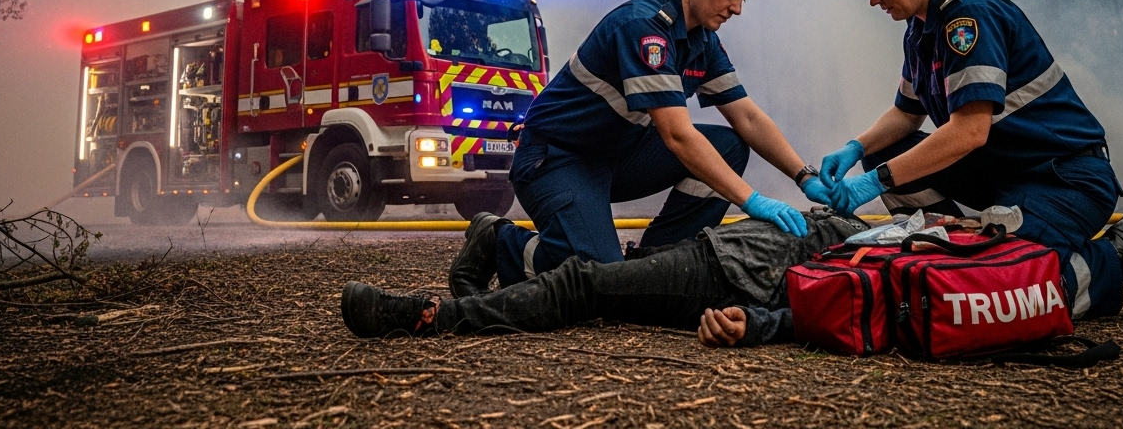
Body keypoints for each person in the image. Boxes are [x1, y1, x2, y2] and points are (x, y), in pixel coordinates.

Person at [800, 0, 1123, 321]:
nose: (872, 0)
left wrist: (875, 181)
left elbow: (970, 132)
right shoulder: (919, 30)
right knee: (890, 157)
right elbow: (905, 113)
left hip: (1065, 179)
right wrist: (856, 148)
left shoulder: (968, 18)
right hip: (1006, 175)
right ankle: (959, 247)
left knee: (996, 289)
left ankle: (1120, 254)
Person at [451, 0, 822, 297]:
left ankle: (654, 261)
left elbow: (748, 118)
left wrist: (805, 177)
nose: (737, 9)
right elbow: (677, 136)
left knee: (730, 144)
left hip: (616, 155)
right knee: (602, 278)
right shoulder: (643, 28)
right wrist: (752, 199)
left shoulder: (703, 42)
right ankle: (499, 242)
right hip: (557, 160)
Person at [344, 207, 865, 343]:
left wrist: (759, 324)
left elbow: (849, 311)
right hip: (722, 250)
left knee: (584, 283)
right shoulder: (923, 233)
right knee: (597, 273)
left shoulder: (933, 270)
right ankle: (494, 245)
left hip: (733, 279)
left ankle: (429, 316)